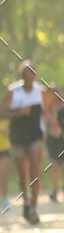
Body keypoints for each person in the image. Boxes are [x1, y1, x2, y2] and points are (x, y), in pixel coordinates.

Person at [2, 60, 44, 224]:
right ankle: (26, 203)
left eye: (31, 73)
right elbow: (2, 111)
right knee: (22, 174)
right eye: (25, 73)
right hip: (18, 137)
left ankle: (34, 207)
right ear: (21, 75)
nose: (28, 76)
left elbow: (50, 109)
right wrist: (19, 112)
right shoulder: (13, 91)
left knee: (34, 170)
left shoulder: (40, 91)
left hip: (35, 136)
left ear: (35, 75)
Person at [43, 84, 64, 201]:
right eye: (50, 92)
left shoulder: (63, 107)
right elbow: (45, 122)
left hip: (62, 140)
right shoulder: (45, 107)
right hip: (51, 139)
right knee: (53, 165)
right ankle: (55, 190)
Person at [0, 81, 11, 212]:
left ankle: (4, 198)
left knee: (3, 176)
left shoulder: (8, 119)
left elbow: (12, 134)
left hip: (5, 150)